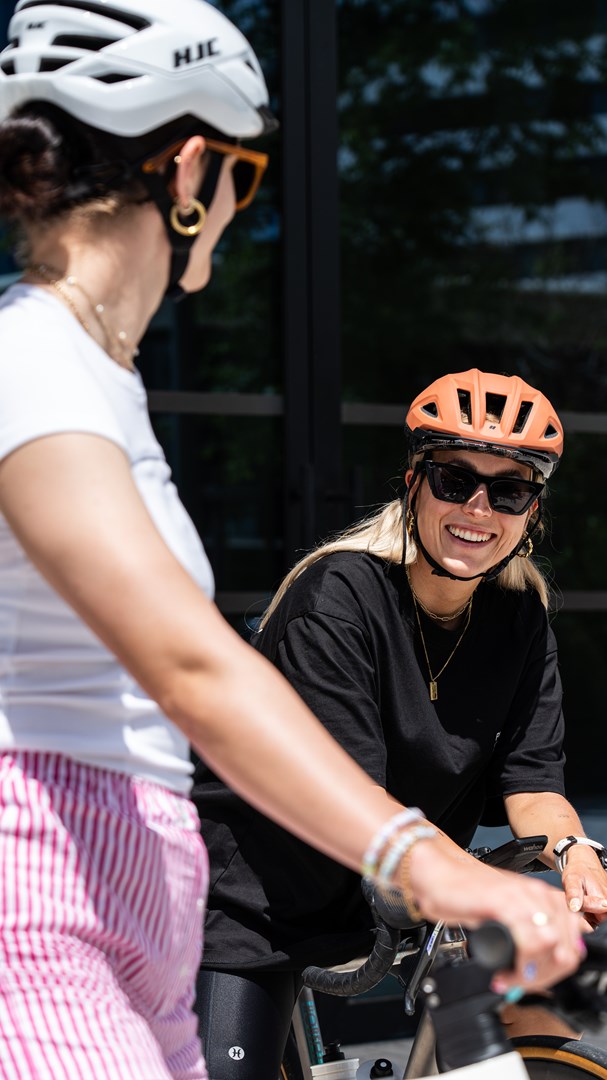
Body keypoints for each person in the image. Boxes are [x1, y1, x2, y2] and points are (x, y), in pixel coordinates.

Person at [0, 2, 586, 1074]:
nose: (233, 208)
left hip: (132, 892)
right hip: (44, 886)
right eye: (244, 179)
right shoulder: (31, 365)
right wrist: (433, 864)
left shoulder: (95, 377)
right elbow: (189, 666)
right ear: (188, 174)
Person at [193, 368, 607, 1078]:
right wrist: (485, 892)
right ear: (411, 482)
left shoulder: (518, 616)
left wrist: (572, 851)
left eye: (507, 490)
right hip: (258, 906)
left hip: (411, 890)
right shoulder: (338, 597)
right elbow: (352, 804)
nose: (478, 507)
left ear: (530, 513)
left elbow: (532, 778)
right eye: (453, 480)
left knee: (535, 1025)